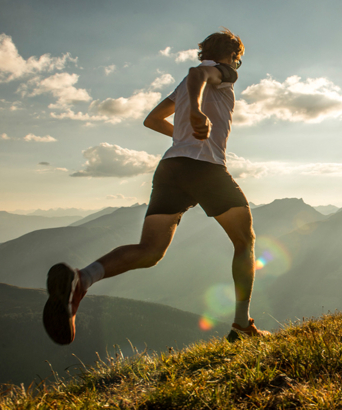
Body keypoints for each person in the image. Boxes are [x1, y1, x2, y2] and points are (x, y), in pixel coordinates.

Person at [42, 29, 268, 345]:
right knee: (245, 241)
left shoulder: (184, 88)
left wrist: (184, 132)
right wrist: (195, 113)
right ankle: (243, 326)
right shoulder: (224, 73)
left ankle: (82, 278)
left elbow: (152, 120)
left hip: (171, 167)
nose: (237, 64)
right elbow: (198, 73)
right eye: (238, 58)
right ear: (231, 55)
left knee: (150, 252)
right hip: (205, 167)